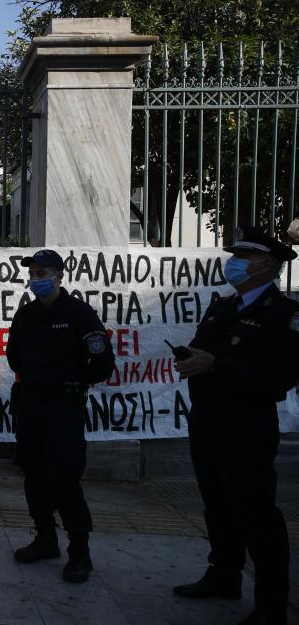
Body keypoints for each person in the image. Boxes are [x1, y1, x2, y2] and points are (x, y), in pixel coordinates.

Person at [172, 226, 299, 625]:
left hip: (247, 426)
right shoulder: (222, 307)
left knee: (257, 513)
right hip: (208, 421)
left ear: (267, 264)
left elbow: (280, 374)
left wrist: (216, 364)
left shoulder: (285, 315)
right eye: (235, 254)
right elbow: (204, 348)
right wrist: (191, 358)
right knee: (217, 506)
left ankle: (271, 604)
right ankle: (224, 575)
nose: (235, 262)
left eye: (244, 255)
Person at [6, 249, 115, 583]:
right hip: (31, 406)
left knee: (66, 480)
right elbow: (14, 356)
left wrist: (69, 379)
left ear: (59, 276)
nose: (37, 279)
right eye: (33, 273)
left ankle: (79, 552)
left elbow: (101, 363)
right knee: (34, 475)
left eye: (43, 273)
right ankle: (45, 539)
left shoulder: (79, 314)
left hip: (63, 409)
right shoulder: (26, 315)